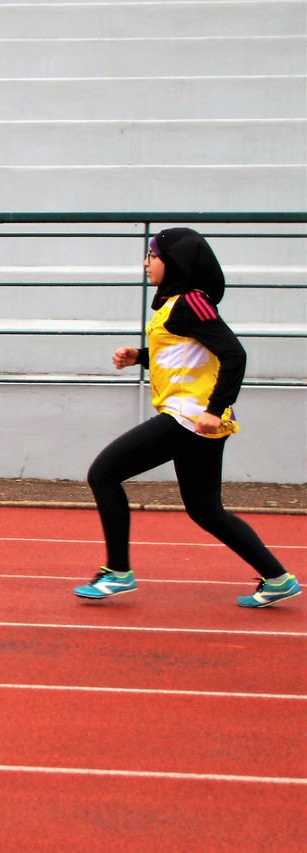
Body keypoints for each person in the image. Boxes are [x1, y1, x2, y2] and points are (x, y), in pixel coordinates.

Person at [75, 227, 297, 608]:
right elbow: (187, 352)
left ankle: (118, 572)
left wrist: (215, 409)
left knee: (103, 474)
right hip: (195, 420)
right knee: (206, 510)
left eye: (153, 256)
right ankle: (277, 579)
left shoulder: (190, 302)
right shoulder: (176, 304)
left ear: (174, 261)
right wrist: (141, 357)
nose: (146, 263)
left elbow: (234, 355)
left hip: (189, 418)